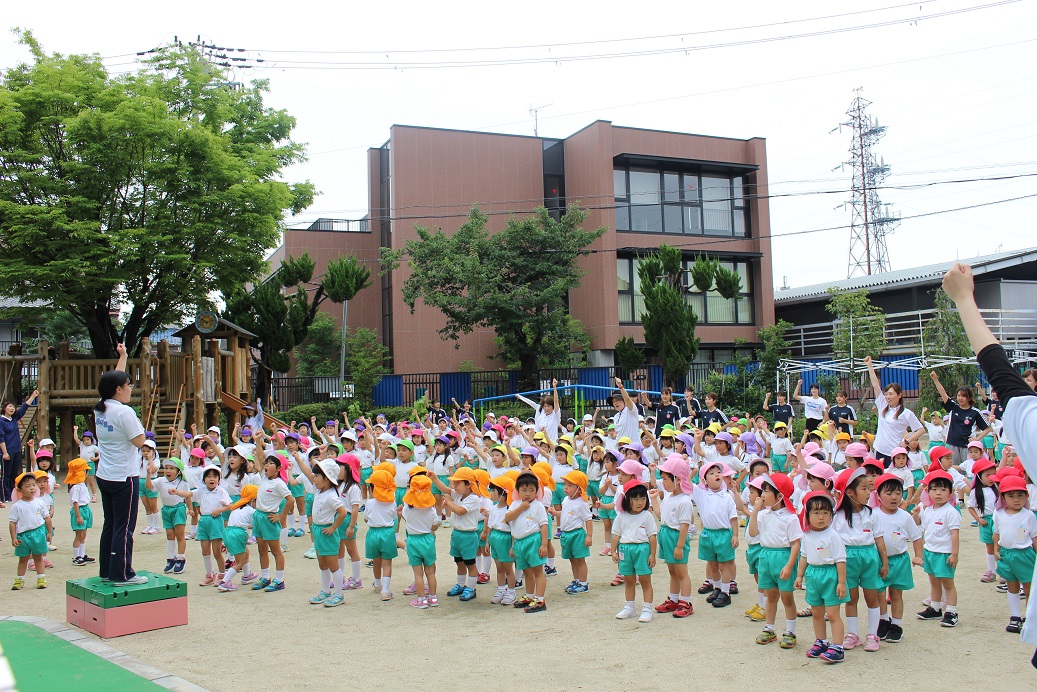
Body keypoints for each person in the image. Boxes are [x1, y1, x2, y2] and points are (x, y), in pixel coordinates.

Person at [93, 345, 147, 585]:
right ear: (118, 389)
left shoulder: (101, 406)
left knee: (111, 524)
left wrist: (123, 356)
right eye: (128, 385)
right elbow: (140, 441)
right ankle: (122, 574)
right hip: (125, 477)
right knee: (124, 528)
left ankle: (107, 571)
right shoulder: (124, 412)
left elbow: (114, 378)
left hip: (105, 475)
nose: (131, 389)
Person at [748, 473, 802, 650]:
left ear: (779, 496)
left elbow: (796, 544)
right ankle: (769, 628)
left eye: (766, 491)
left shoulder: (791, 517)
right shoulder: (764, 514)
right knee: (770, 595)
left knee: (787, 597)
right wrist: (755, 511)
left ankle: (790, 631)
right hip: (766, 556)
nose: (762, 494)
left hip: (783, 557)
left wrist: (789, 565)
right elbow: (753, 532)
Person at [795, 491, 848, 664]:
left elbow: (841, 560)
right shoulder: (807, 535)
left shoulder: (833, 536)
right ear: (807, 514)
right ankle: (821, 641)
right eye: (816, 512)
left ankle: (838, 647)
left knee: (832, 614)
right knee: (817, 613)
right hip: (813, 575)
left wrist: (841, 582)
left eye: (825, 513)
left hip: (830, 575)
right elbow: (804, 556)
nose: (821, 517)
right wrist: (799, 576)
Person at [872, 473, 923, 643]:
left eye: (898, 493)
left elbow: (916, 537)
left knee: (896, 594)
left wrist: (918, 556)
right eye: (888, 493)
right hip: (879, 561)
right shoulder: (873, 515)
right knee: (879, 593)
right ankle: (883, 620)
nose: (894, 497)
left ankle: (896, 625)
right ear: (878, 495)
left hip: (899, 560)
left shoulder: (905, 516)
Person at [914, 468, 961, 627]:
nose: (938, 493)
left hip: (944, 553)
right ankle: (935, 607)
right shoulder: (927, 509)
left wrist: (954, 554)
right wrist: (915, 514)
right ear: (928, 492)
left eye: (943, 489)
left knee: (948, 583)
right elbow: (919, 524)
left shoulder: (951, 512)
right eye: (934, 489)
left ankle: (952, 612)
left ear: (951, 492)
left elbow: (954, 534)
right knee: (933, 581)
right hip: (930, 551)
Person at [653, 455, 694, 618]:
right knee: (672, 570)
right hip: (665, 534)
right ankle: (674, 599)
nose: (662, 482)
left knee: (681, 572)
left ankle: (686, 603)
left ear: (677, 479)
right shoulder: (668, 497)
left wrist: (679, 546)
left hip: (676, 537)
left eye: (665, 479)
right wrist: (654, 500)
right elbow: (661, 517)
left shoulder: (684, 501)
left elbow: (685, 525)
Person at [864, 356, 925, 466]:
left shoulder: (906, 413)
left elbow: (921, 430)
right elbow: (875, 385)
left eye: (891, 394)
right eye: (886, 394)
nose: (888, 397)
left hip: (894, 453)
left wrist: (906, 442)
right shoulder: (883, 405)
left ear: (899, 395)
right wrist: (869, 366)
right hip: (879, 450)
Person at [611, 480, 658, 623]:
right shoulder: (621, 515)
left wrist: (652, 554)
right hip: (625, 549)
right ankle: (630, 607)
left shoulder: (647, 515)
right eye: (635, 499)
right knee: (629, 580)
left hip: (642, 549)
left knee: (645, 580)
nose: (640, 502)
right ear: (627, 499)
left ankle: (647, 609)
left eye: (643, 498)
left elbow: (652, 536)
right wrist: (613, 550)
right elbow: (616, 534)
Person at [506, 470, 550, 613]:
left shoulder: (538, 505)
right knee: (526, 571)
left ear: (537, 491)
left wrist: (544, 545)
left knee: (538, 571)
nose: (528, 493)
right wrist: (513, 546)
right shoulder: (515, 504)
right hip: (519, 542)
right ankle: (529, 595)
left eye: (532, 490)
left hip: (533, 541)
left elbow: (544, 525)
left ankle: (540, 599)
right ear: (517, 490)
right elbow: (508, 519)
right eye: (524, 490)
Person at [929, 371, 993, 467]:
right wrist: (935, 379)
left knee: (967, 468)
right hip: (952, 444)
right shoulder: (953, 407)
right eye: (959, 396)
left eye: (963, 396)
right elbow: (943, 393)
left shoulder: (975, 412)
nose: (960, 398)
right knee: (953, 468)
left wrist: (976, 439)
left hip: (967, 446)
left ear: (969, 398)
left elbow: (988, 428)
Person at [553, 470, 593, 595]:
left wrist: (589, 536)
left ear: (579, 488)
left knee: (580, 560)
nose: (565, 488)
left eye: (570, 485)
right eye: (565, 484)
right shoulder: (566, 500)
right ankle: (577, 580)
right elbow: (565, 513)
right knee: (572, 559)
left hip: (577, 534)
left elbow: (588, 519)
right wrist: (555, 513)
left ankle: (583, 583)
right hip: (566, 534)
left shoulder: (582, 503)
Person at [216, 484, 260, 592]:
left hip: (228, 532)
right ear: (253, 500)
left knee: (246, 552)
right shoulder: (251, 511)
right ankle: (224, 582)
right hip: (238, 534)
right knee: (239, 562)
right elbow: (256, 525)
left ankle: (247, 575)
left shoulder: (237, 508)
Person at [9, 472, 49, 589]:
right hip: (23, 535)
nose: (32, 488)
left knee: (38, 557)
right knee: (23, 559)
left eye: (33, 485)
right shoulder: (17, 506)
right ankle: (19, 580)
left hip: (38, 533)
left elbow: (47, 518)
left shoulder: (39, 503)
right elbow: (12, 522)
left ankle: (41, 579)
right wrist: (13, 537)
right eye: (27, 486)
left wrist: (49, 532)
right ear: (19, 490)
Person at [1, 389, 38, 503]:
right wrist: (5, 452)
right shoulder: (1, 421)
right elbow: (1, 437)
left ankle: (13, 494)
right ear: (4, 408)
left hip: (16, 450)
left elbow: (24, 408)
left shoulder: (14, 419)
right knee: (6, 475)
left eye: (13, 407)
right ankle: (5, 496)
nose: (12, 408)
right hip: (8, 451)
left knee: (14, 474)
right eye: (10, 406)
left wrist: (33, 396)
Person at [67, 459, 95, 566]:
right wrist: (78, 516)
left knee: (83, 535)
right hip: (79, 510)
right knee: (79, 535)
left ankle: (82, 555)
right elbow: (75, 502)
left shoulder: (82, 484)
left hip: (86, 509)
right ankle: (76, 557)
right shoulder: (76, 487)